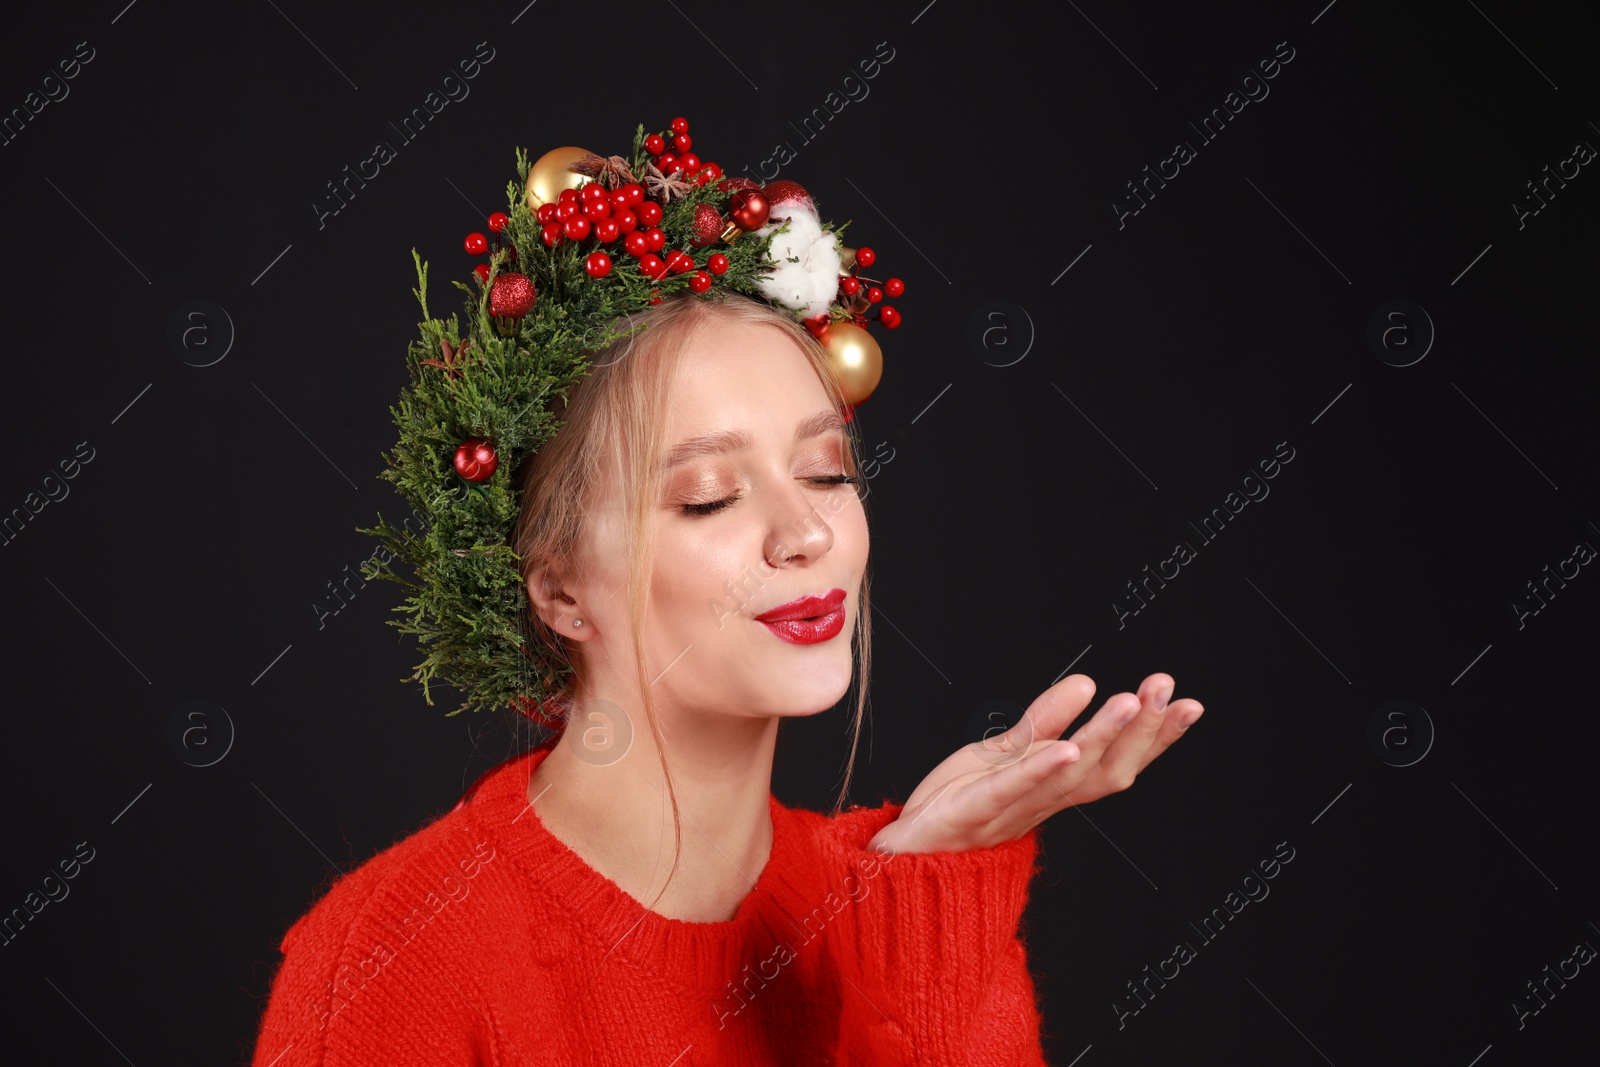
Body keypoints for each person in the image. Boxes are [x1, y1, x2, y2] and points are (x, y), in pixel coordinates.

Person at [249, 123, 1203, 1066]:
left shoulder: (907, 901)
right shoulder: (392, 963)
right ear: (561, 591)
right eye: (709, 497)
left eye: (826, 473)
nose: (808, 534)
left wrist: (926, 904)